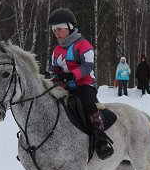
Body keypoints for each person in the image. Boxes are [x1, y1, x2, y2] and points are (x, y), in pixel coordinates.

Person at [47, 8, 113, 160]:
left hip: (84, 85)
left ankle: (100, 140)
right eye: (54, 30)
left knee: (87, 104)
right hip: (63, 88)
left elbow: (87, 66)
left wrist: (71, 75)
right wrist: (50, 76)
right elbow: (55, 70)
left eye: (59, 29)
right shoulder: (56, 50)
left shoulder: (83, 45)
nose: (56, 33)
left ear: (70, 27)